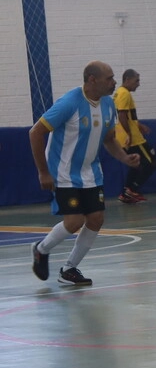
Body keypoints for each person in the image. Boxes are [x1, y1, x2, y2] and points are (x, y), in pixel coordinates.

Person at [28, 61, 141, 287]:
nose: (114, 82)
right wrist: (43, 172)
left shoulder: (108, 105)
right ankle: (41, 249)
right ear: (92, 80)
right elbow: (35, 132)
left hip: (90, 173)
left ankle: (69, 269)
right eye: (109, 78)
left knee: (96, 219)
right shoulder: (69, 103)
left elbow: (109, 139)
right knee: (75, 221)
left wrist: (124, 158)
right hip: (63, 173)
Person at [113, 68, 156, 204]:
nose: (138, 84)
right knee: (151, 162)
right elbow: (121, 115)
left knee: (135, 164)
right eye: (136, 80)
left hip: (123, 138)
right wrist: (130, 134)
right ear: (127, 80)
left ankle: (126, 192)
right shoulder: (124, 94)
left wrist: (139, 125)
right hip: (133, 139)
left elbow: (128, 116)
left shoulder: (119, 93)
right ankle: (132, 190)